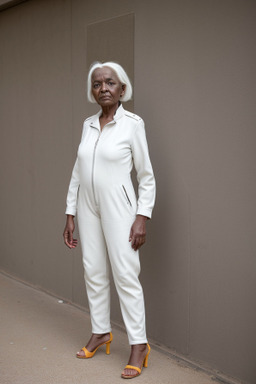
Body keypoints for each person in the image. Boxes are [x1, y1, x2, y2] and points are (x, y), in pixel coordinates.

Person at [63, 61, 156, 379]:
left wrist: (141, 216)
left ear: (122, 89)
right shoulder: (88, 124)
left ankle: (138, 344)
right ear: (93, 90)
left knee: (126, 275)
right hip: (88, 206)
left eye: (110, 83)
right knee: (93, 271)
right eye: (97, 83)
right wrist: (70, 211)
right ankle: (101, 331)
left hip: (120, 207)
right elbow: (78, 169)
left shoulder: (133, 124)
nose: (103, 88)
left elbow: (146, 176)